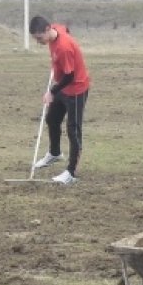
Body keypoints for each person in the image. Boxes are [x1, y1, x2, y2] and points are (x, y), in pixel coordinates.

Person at [28, 16, 90, 185]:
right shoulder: (56, 29)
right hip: (63, 87)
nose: (38, 42)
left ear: (48, 29)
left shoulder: (64, 48)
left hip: (76, 88)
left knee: (73, 130)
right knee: (52, 119)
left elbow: (69, 76)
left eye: (39, 38)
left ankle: (71, 172)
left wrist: (52, 91)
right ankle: (55, 154)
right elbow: (65, 28)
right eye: (35, 39)